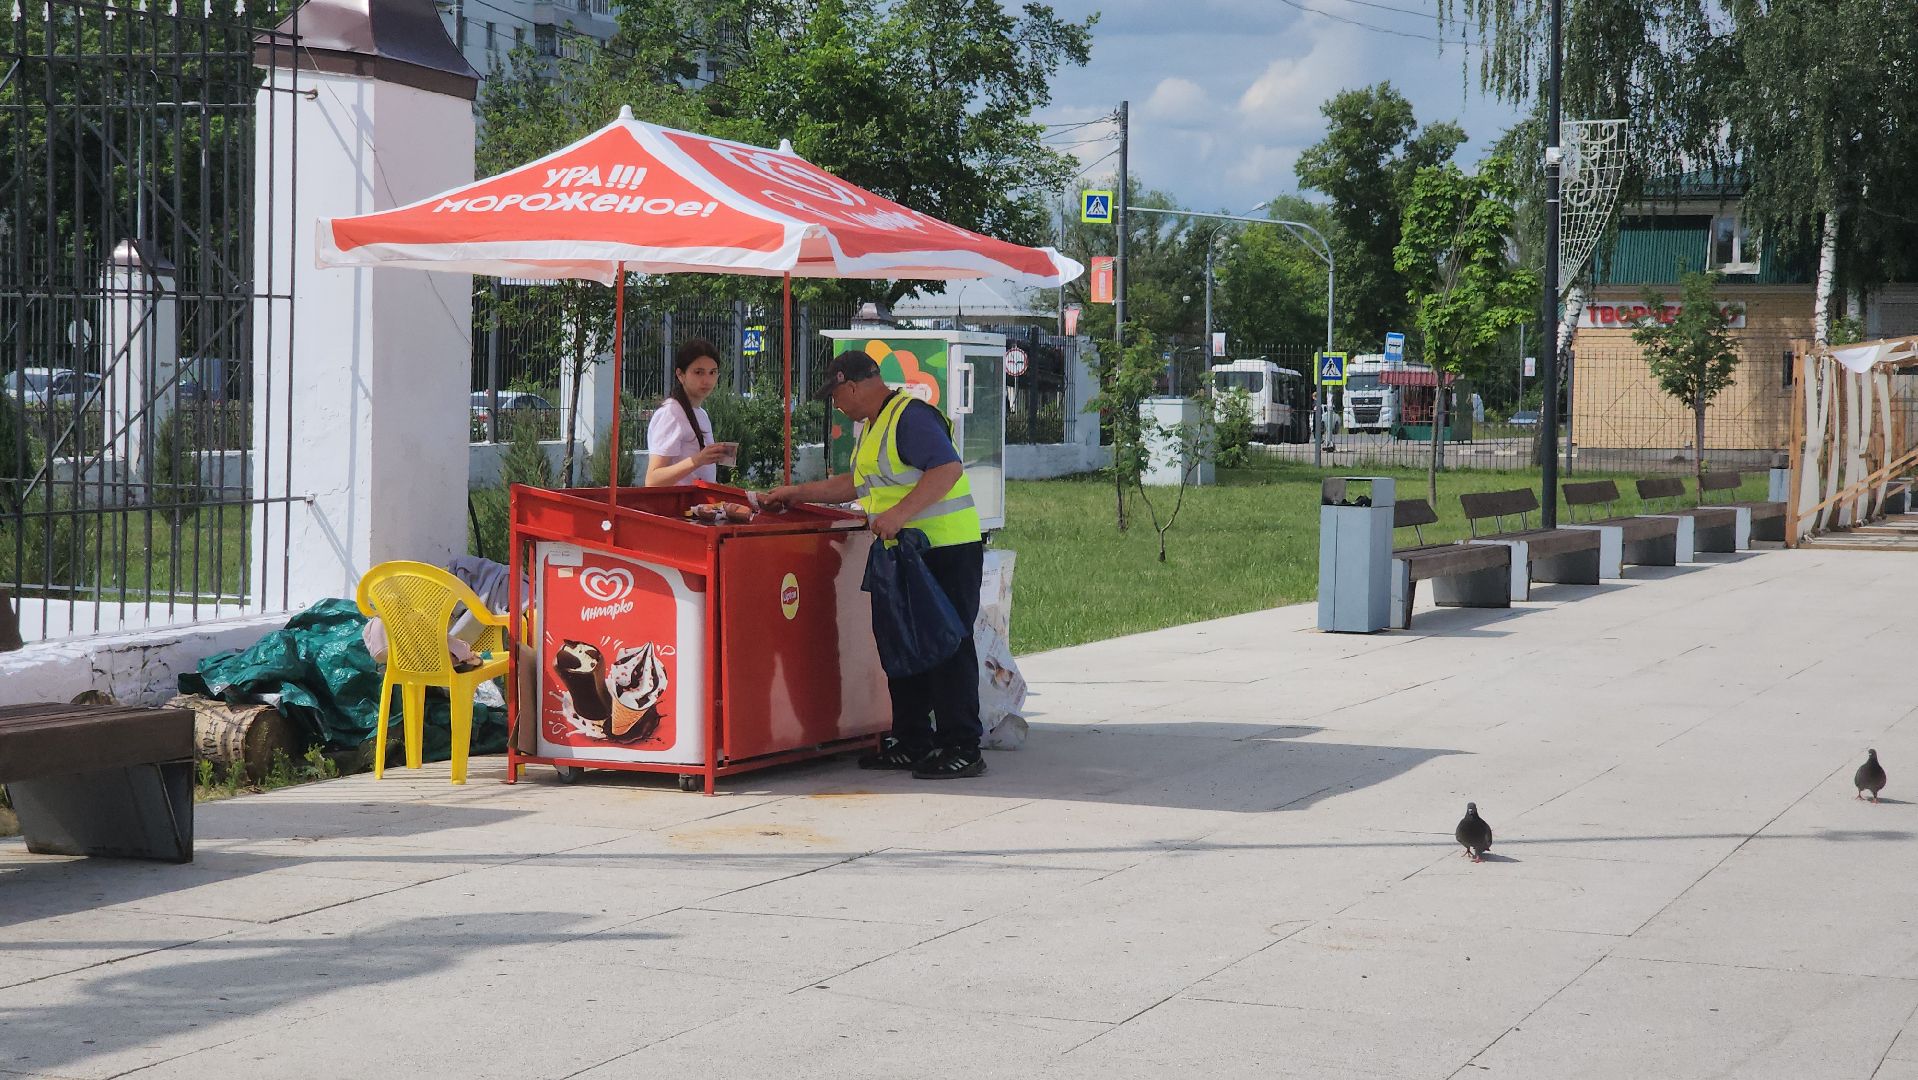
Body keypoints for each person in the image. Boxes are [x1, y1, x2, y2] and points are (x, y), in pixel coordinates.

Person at [759, 350, 986, 780]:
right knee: (904, 641)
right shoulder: (871, 428)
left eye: (837, 395)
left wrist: (899, 514)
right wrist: (796, 492)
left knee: (947, 644)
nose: (837, 405)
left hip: (945, 549)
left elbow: (948, 468)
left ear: (855, 384)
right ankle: (911, 738)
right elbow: (856, 484)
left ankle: (962, 744)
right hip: (904, 553)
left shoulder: (911, 417)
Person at [644, 339, 736, 487]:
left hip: (697, 507)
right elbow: (653, 480)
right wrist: (698, 459)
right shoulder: (671, 413)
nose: (707, 380)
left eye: (712, 372)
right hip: (676, 507)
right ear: (681, 375)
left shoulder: (701, 414)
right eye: (698, 372)